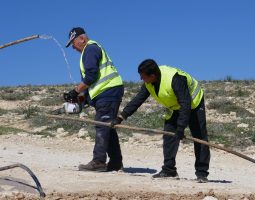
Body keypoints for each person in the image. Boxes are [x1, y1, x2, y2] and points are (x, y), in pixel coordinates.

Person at [111, 59, 210, 182]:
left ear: (152, 76)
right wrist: (121, 117)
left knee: (199, 137)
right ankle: (169, 170)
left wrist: (180, 128)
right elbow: (138, 100)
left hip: (194, 103)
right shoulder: (149, 82)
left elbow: (186, 103)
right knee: (169, 136)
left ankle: (202, 173)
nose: (141, 79)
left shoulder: (175, 79)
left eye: (143, 77)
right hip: (174, 107)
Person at [65, 27, 124, 172]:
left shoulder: (90, 49)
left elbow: (91, 76)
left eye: (73, 43)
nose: (73, 47)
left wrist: (75, 91)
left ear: (82, 39)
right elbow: (93, 81)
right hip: (108, 91)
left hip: (108, 91)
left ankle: (98, 161)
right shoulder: (90, 50)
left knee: (102, 125)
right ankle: (116, 162)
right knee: (107, 126)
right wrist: (82, 99)